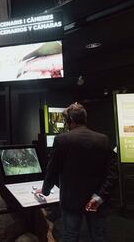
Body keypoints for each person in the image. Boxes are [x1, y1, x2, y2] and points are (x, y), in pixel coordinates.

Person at [36, 103, 117, 242]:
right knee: (99, 236)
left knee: (70, 236)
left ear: (71, 120)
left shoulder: (62, 140)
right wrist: (100, 196)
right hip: (96, 199)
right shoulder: (103, 139)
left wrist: (45, 190)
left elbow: (53, 169)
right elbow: (112, 172)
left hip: (71, 199)